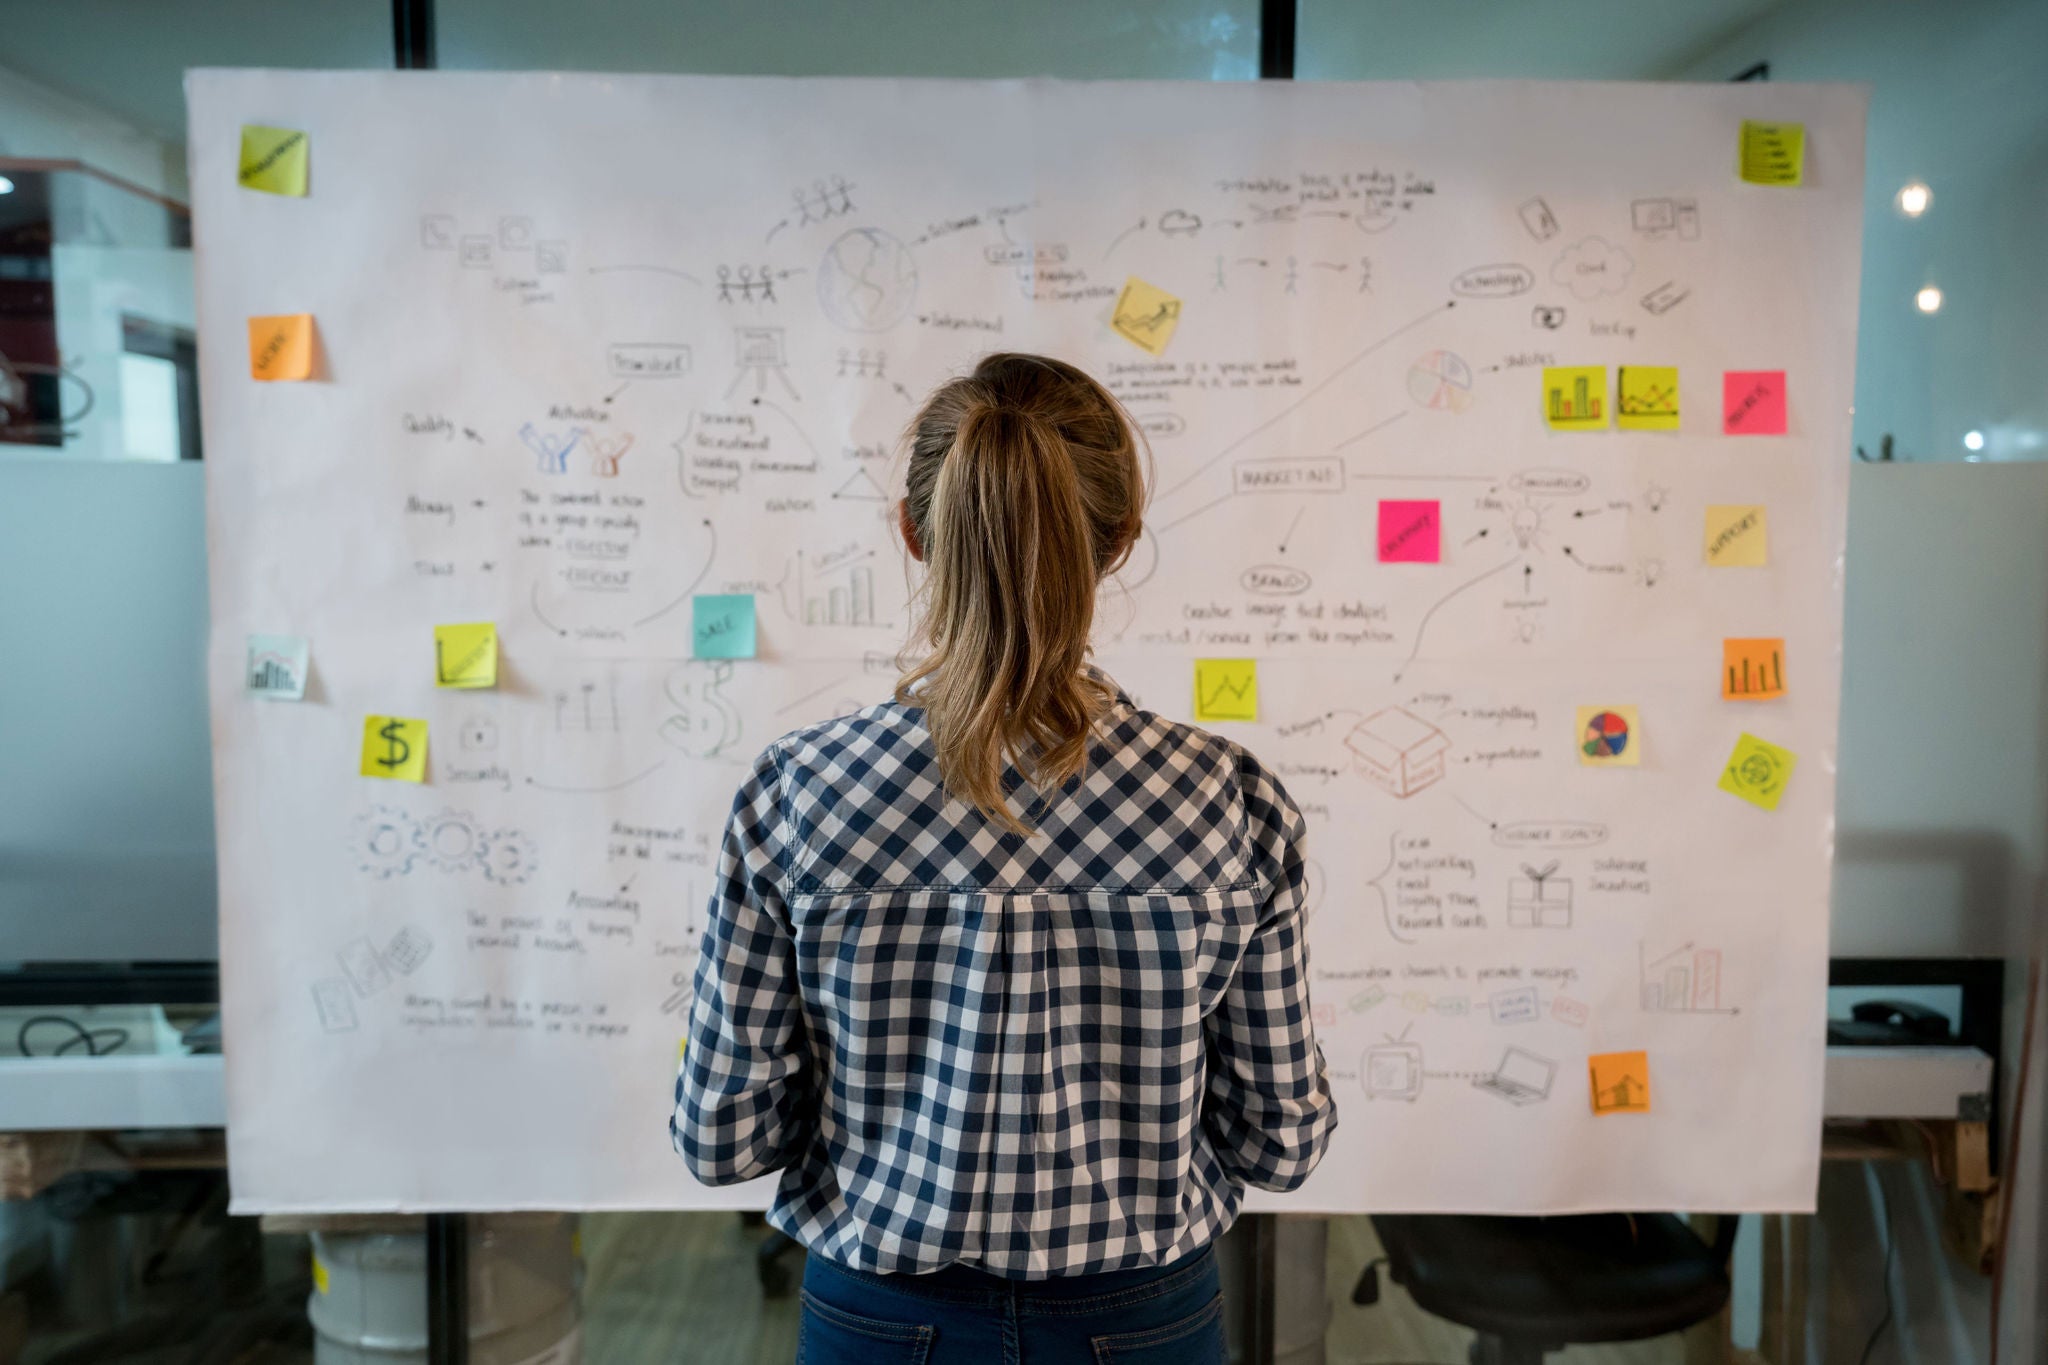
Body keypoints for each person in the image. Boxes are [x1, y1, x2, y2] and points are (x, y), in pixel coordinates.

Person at [673, 352, 1336, 1363]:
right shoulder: (1226, 799)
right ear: (1115, 544)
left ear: (912, 533)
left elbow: (723, 1140)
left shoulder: (796, 793)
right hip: (1142, 1323)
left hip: (879, 1320)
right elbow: (1279, 1145)